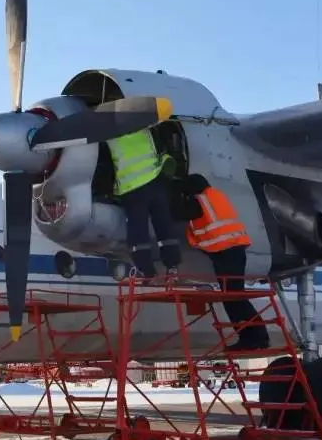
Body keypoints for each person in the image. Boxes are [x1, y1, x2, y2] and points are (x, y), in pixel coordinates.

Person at [176, 173, 269, 350]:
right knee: (233, 297)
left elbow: (178, 212)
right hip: (231, 250)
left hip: (228, 252)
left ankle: (256, 337)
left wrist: (174, 194)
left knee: (234, 297)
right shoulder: (215, 195)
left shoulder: (199, 202)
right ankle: (252, 337)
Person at [106, 126, 182, 283]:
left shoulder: (109, 133)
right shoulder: (143, 126)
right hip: (155, 182)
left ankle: (147, 271)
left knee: (138, 230)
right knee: (164, 225)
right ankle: (172, 268)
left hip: (133, 188)